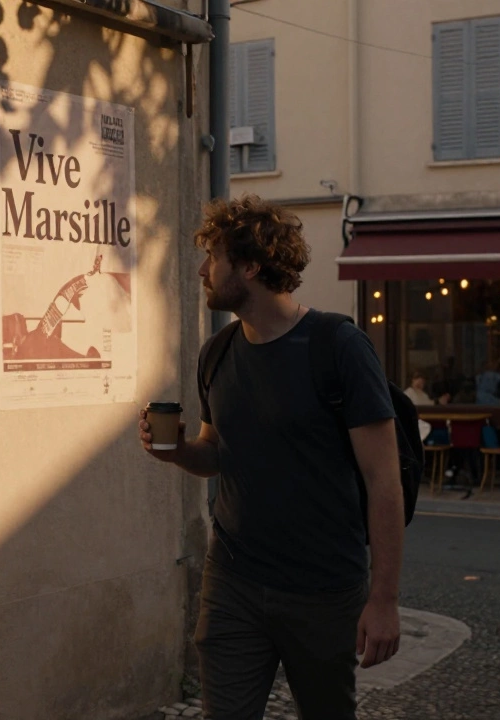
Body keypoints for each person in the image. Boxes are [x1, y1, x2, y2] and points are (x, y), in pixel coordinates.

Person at [138, 195, 403, 719]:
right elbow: (218, 455)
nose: (201, 271)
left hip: (324, 589)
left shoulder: (339, 347)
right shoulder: (216, 353)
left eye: (212, 257)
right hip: (233, 581)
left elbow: (384, 480)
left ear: (251, 266)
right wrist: (178, 453)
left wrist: (384, 599)